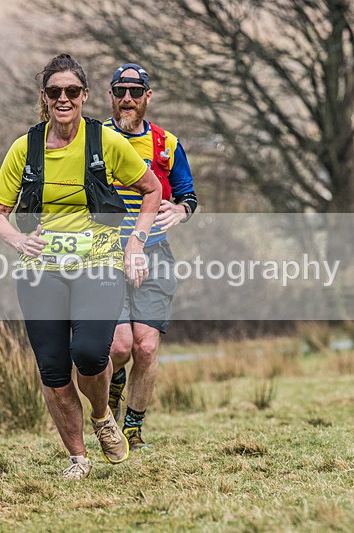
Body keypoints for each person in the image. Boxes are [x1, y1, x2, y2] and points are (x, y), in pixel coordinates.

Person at [0, 54, 162, 479]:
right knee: (52, 368)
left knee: (89, 353)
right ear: (44, 97)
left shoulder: (106, 142)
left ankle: (102, 416)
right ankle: (78, 458)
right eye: (54, 92)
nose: (62, 99)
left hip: (99, 262)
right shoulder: (25, 148)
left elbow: (152, 190)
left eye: (71, 91)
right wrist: (17, 240)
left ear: (84, 95)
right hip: (41, 270)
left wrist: (135, 243)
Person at [105, 63, 198, 451]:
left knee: (145, 347)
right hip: (106, 255)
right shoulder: (95, 139)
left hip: (155, 254)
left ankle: (132, 428)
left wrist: (181, 210)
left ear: (148, 96)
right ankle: (112, 383)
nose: (127, 98)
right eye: (120, 91)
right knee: (118, 347)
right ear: (111, 96)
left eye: (135, 91)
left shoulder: (166, 144)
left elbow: (188, 195)